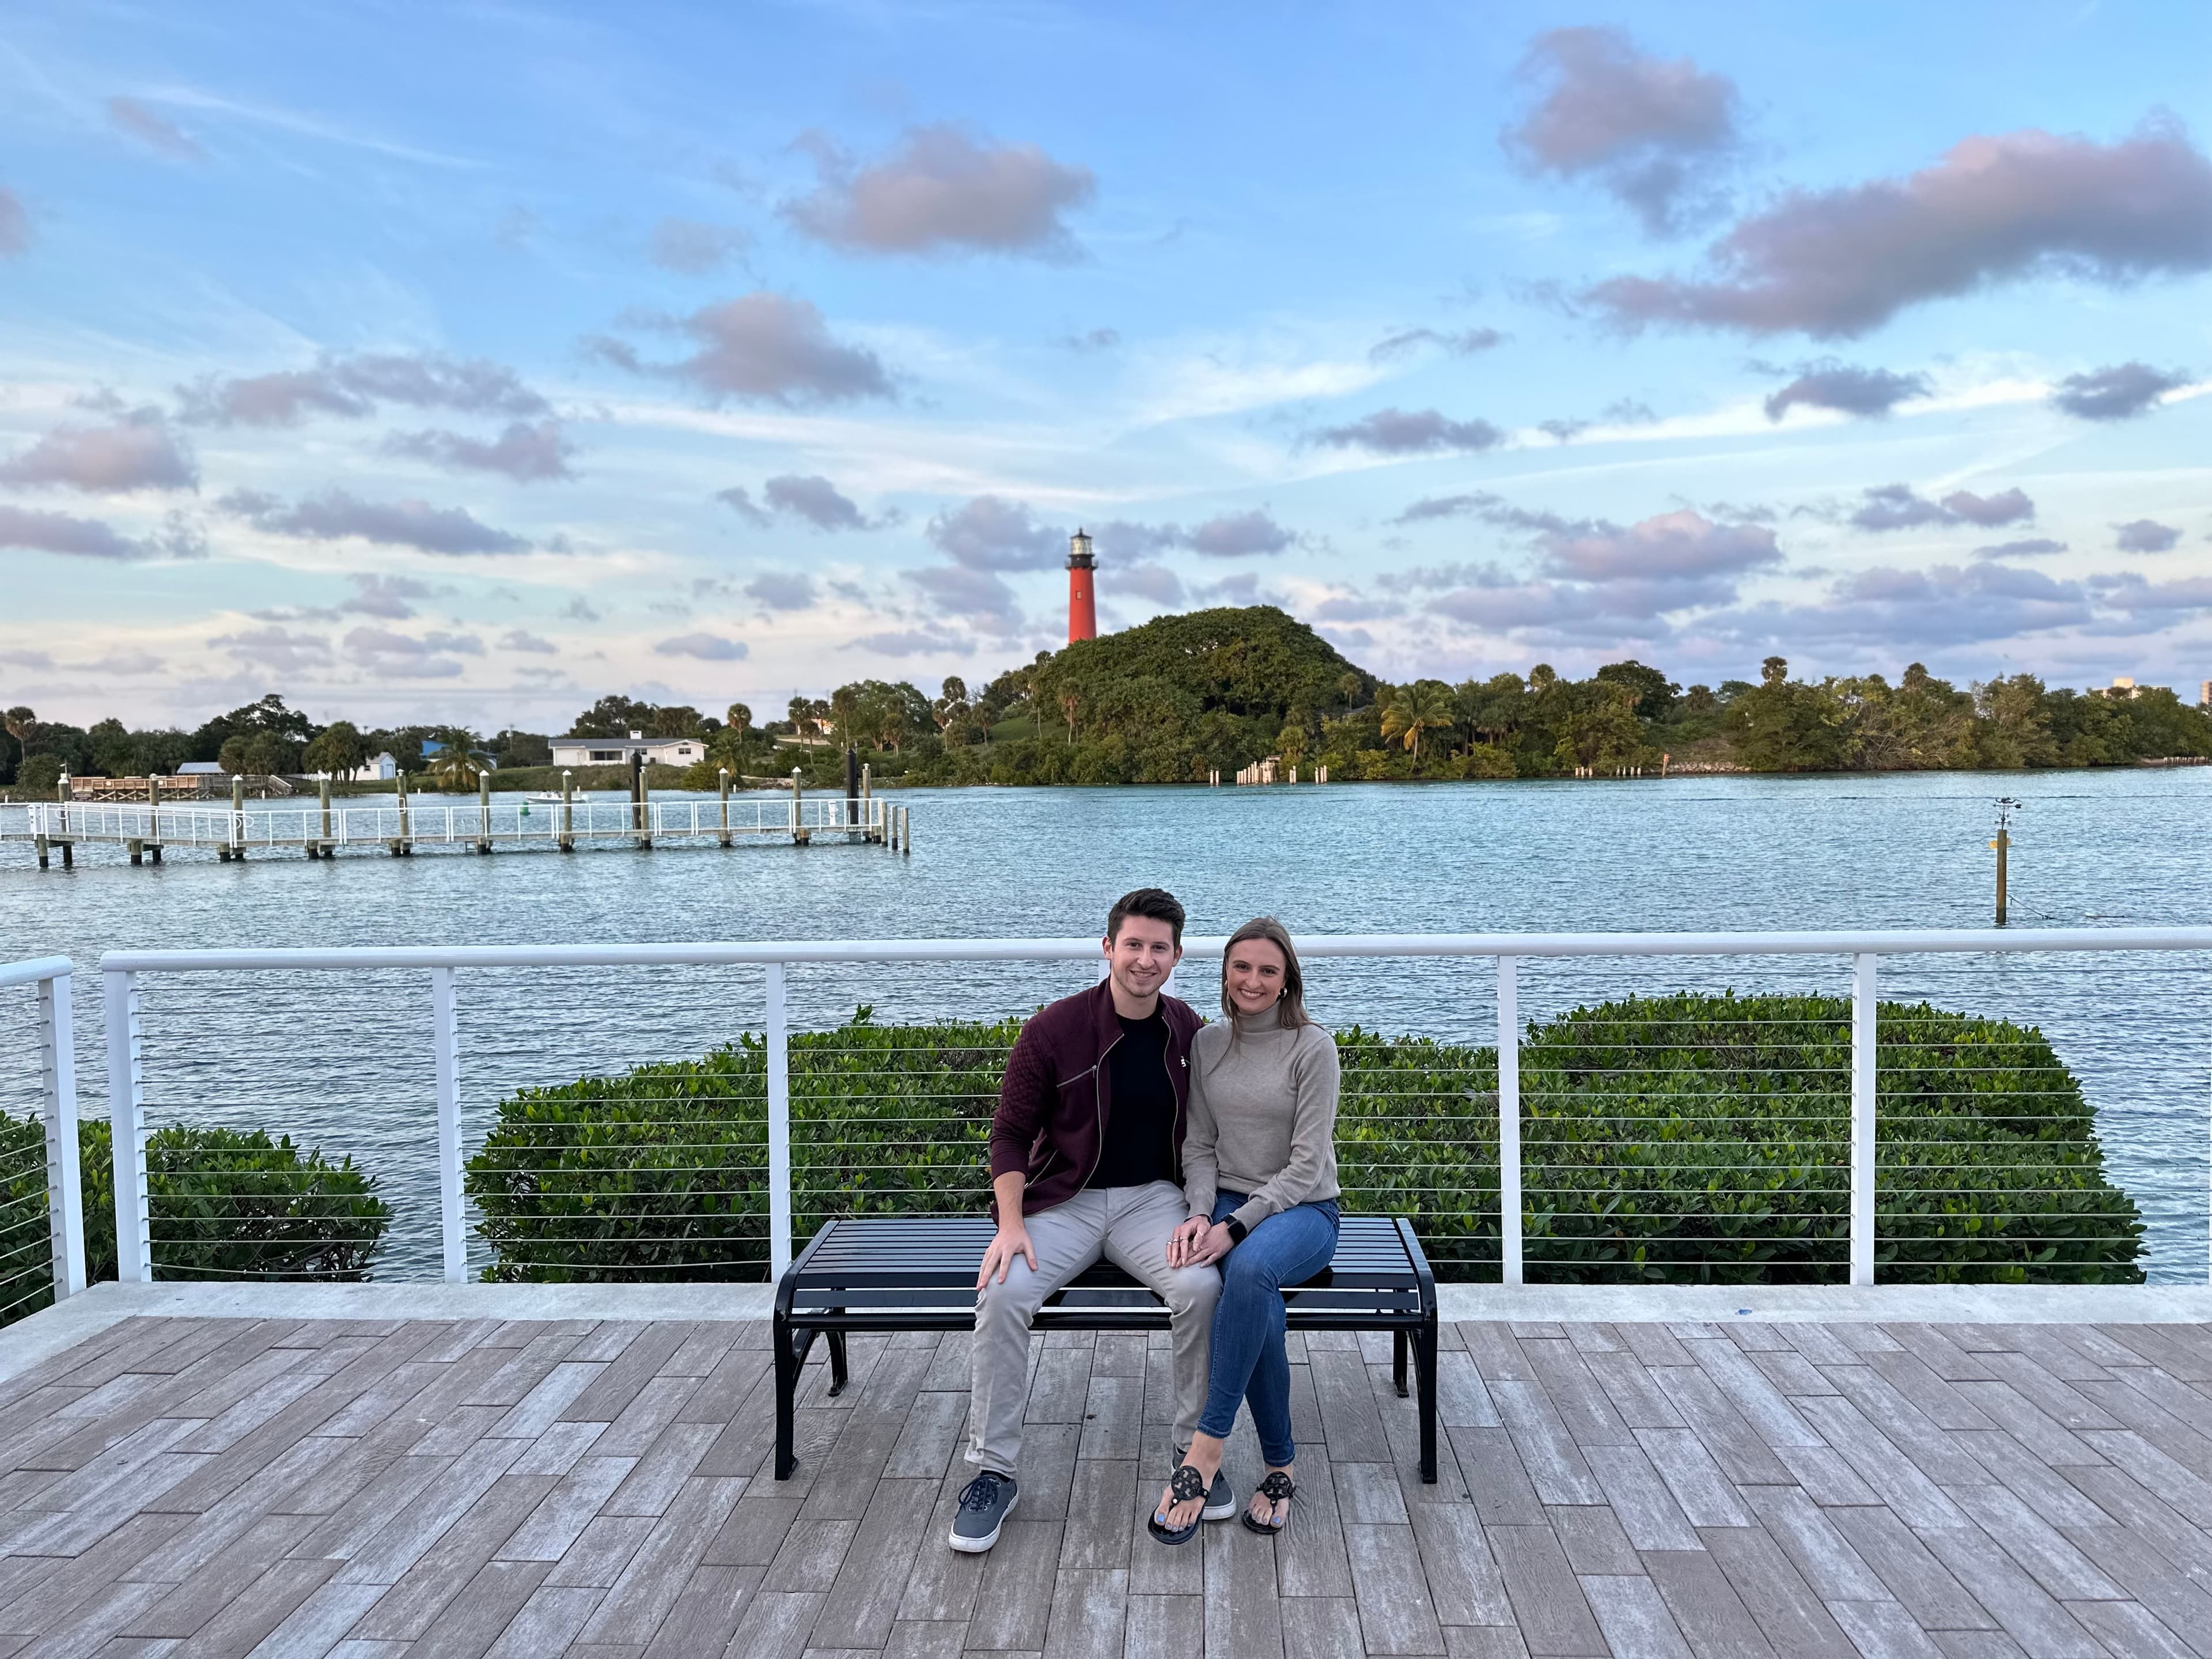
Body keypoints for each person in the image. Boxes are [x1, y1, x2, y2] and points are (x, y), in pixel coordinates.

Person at [950, 888, 1229, 1553]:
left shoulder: (1189, 1030)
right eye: (1132, 944)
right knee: (1003, 1291)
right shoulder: (1053, 1030)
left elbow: (1207, 1140)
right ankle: (995, 1470)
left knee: (1201, 1288)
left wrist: (1198, 1212)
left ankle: (1192, 1459)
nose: (1144, 959)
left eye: (1159, 948)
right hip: (1063, 1200)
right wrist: (1010, 1224)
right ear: (1107, 949)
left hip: (1150, 1201)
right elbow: (1010, 1135)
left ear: (1177, 957)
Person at [1150, 917, 1340, 1544]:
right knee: (1261, 1310)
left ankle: (1205, 1448)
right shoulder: (1207, 1044)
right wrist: (1202, 1214)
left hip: (1303, 1209)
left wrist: (1236, 1226)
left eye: (1267, 970)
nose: (1252, 981)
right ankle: (1280, 1464)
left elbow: (1308, 1166)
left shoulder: (1313, 1047)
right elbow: (1199, 1145)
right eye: (1241, 967)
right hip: (1227, 1203)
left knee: (1253, 1272)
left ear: (1287, 981)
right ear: (1225, 973)